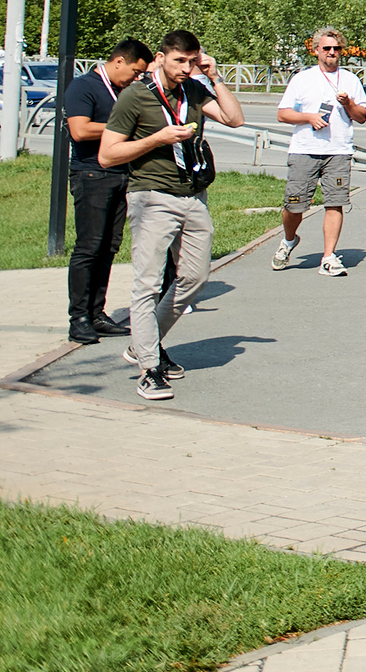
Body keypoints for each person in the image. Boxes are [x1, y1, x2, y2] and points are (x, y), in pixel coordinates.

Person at [98, 31, 244, 401]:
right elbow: (107, 155)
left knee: (195, 278)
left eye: (192, 61)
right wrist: (157, 139)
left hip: (193, 195)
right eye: (179, 61)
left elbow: (234, 118)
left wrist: (213, 77)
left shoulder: (194, 89)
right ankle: (149, 368)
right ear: (161, 57)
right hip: (151, 196)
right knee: (146, 283)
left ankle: (143, 344)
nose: (185, 68)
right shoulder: (135, 96)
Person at [61, 38, 152, 343]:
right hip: (91, 173)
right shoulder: (84, 87)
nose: (136, 78)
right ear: (118, 62)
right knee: (89, 246)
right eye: (135, 72)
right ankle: (79, 318)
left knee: (109, 246)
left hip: (121, 173)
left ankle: (97, 313)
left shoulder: (126, 91)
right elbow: (80, 130)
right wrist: (122, 126)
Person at [272, 27, 366, 276]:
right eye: (327, 48)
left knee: (335, 203)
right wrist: (309, 117)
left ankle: (328, 257)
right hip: (305, 150)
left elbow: (362, 116)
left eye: (337, 49)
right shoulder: (303, 79)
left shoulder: (350, 79)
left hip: (338, 151)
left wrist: (348, 103)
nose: (332, 53)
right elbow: (283, 114)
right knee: (294, 206)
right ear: (316, 50)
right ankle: (289, 240)